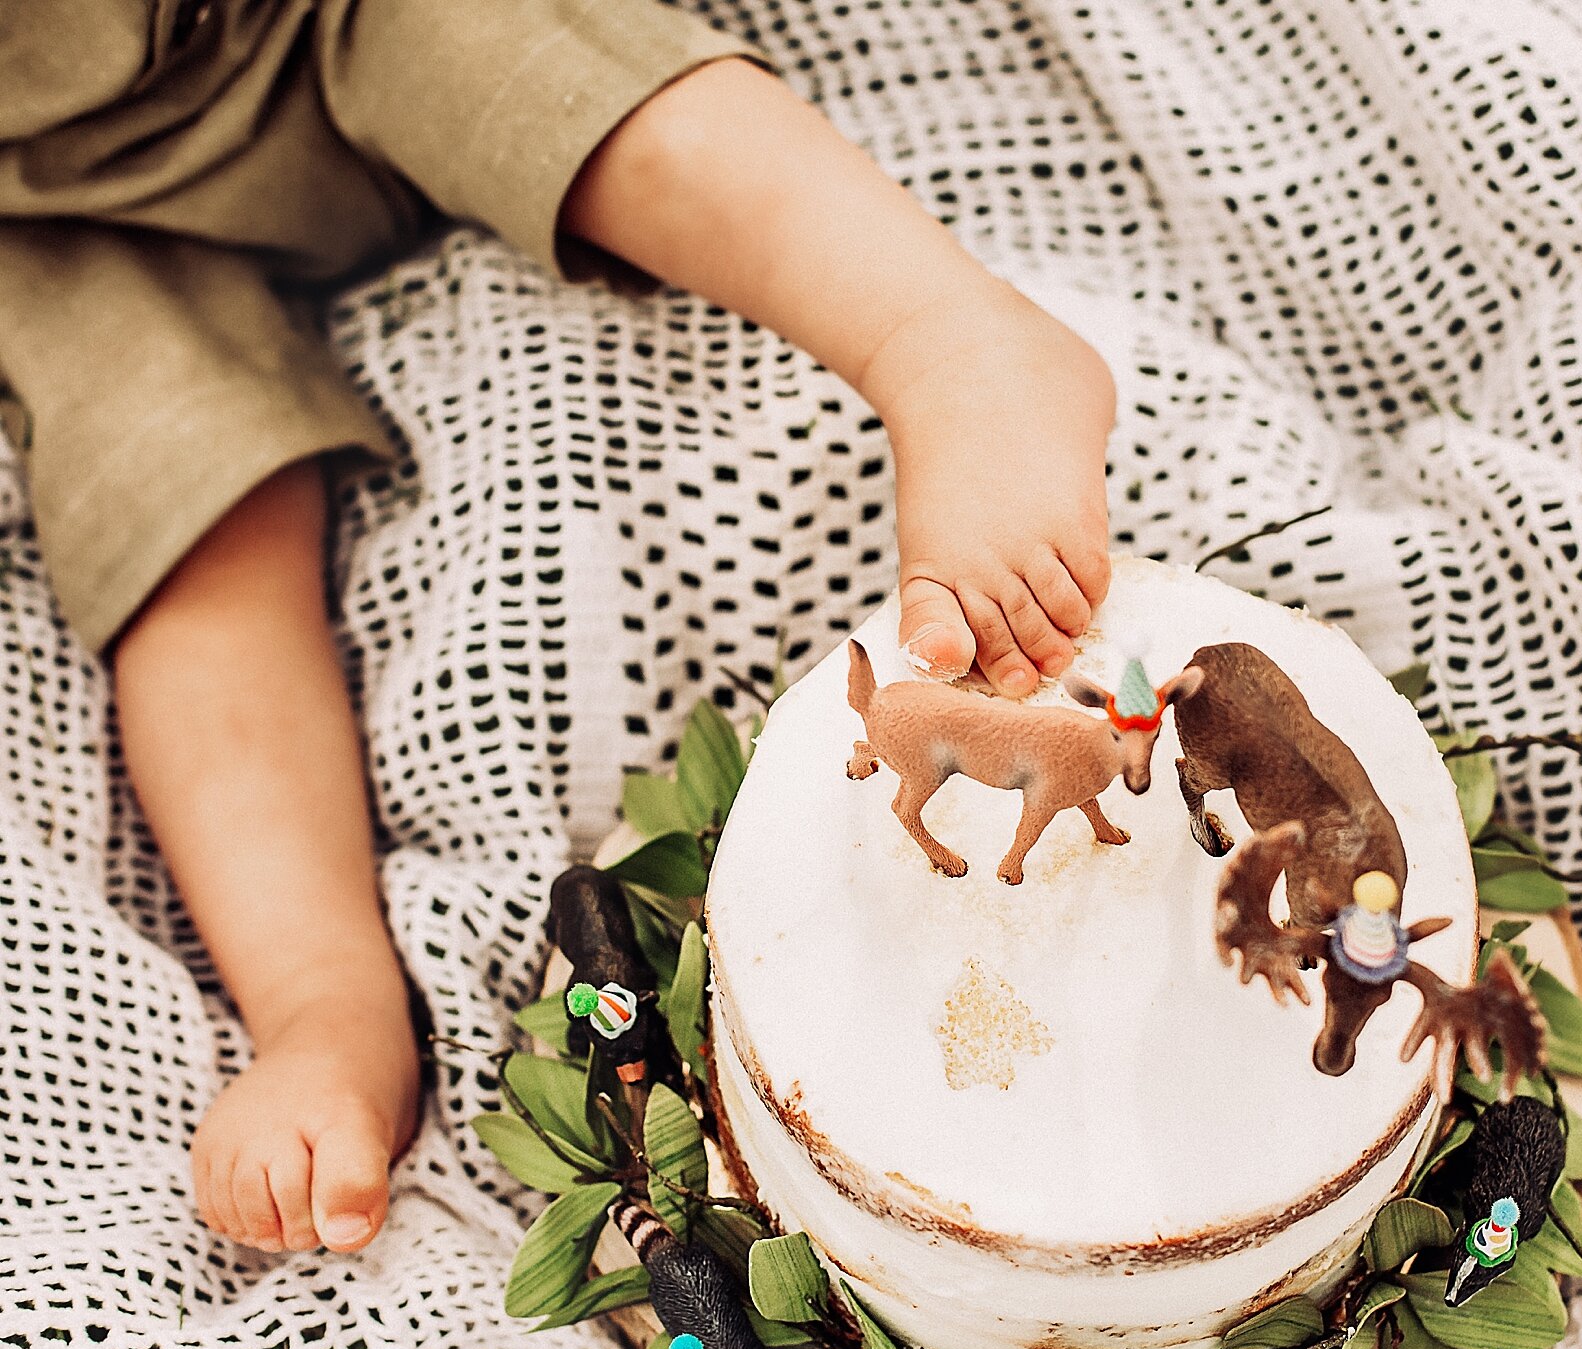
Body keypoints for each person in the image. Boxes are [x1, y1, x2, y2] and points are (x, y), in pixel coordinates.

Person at [0, 2, 1112, 1257]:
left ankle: (941, 335)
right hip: (48, 193)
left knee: (517, 57)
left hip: (301, 19)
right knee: (170, 503)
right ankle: (321, 998)